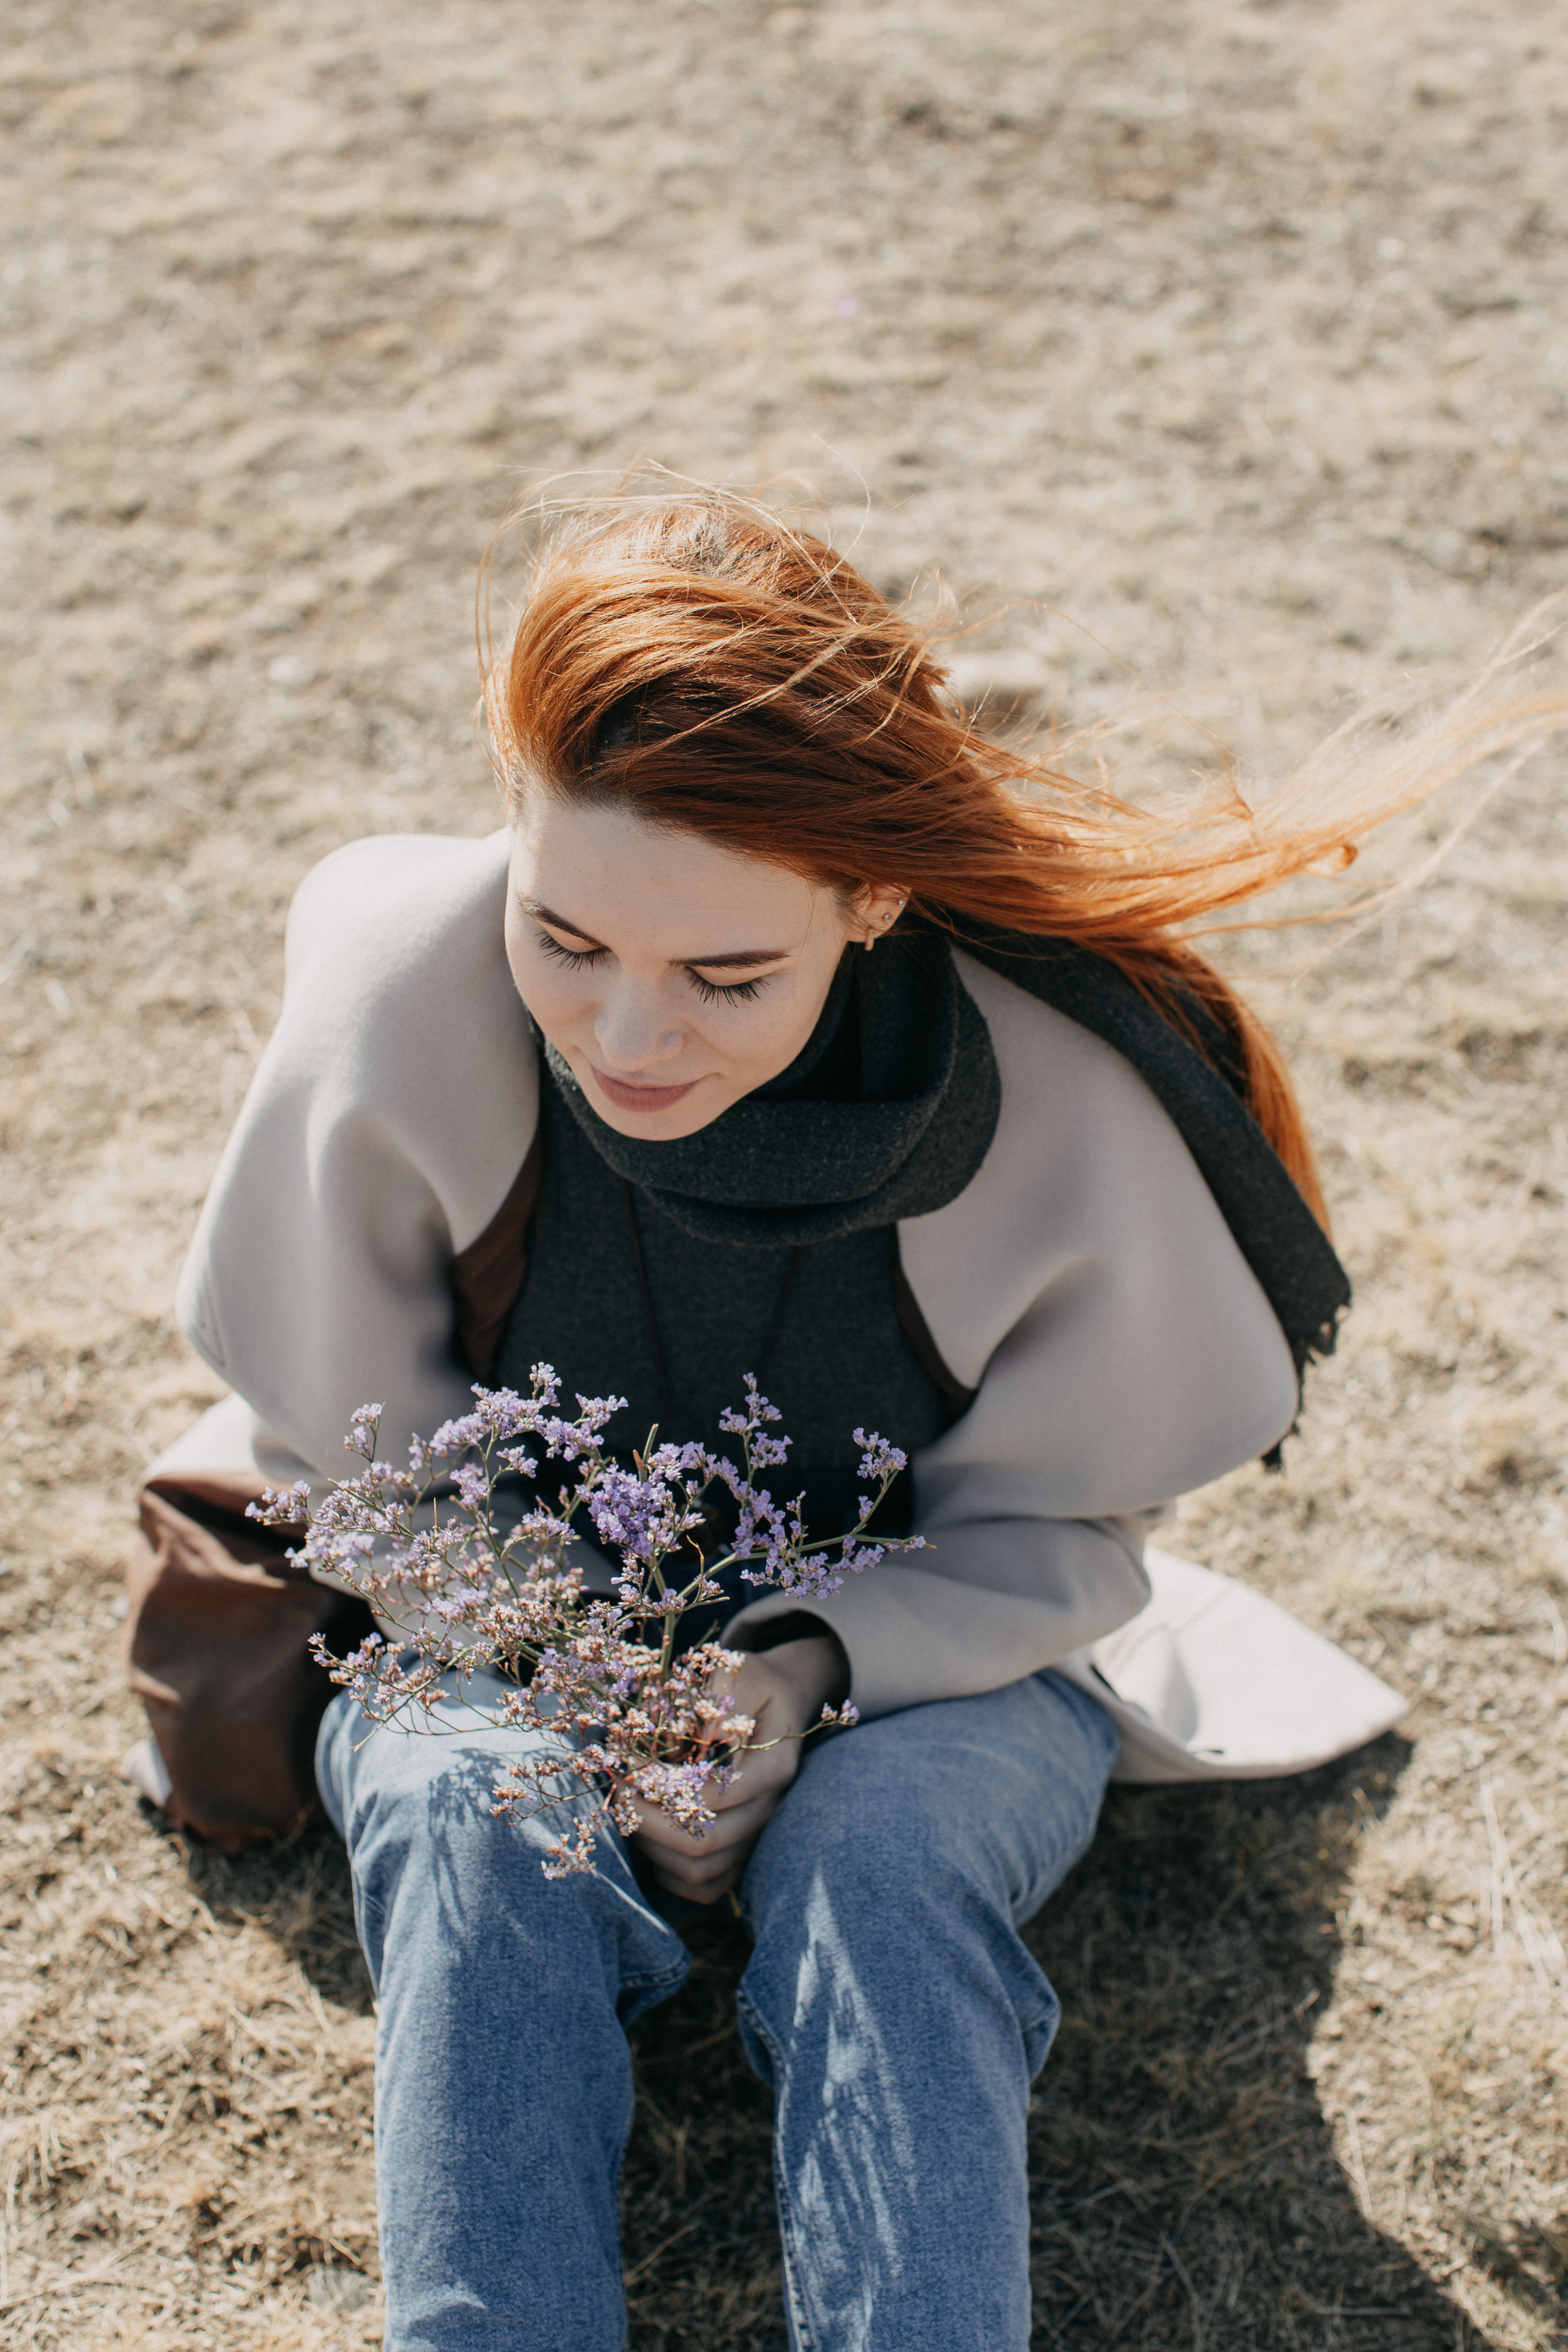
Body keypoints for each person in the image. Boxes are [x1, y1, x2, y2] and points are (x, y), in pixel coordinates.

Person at [124, 486, 1545, 2350]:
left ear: (874, 899)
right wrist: (600, 1688)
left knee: (880, 1866)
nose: (629, 1039)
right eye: (566, 941)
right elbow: (350, 1460)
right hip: (484, 1636)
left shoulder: (1060, 1105)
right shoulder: (399, 1000)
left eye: (728, 977)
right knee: (475, 1818)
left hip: (934, 1672)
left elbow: (1062, 1539)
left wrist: (800, 1670)